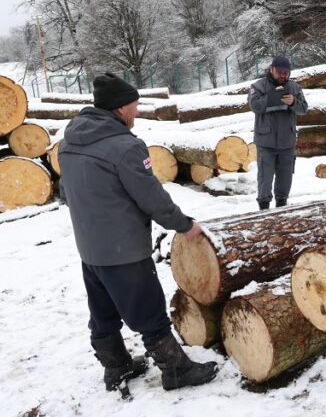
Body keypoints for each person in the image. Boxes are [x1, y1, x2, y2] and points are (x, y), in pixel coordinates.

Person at [58, 73, 218, 393]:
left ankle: (116, 367)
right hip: (124, 248)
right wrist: (184, 225)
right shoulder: (125, 147)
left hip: (90, 249)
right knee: (149, 309)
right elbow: (152, 199)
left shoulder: (68, 143)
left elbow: (65, 192)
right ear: (119, 109)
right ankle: (175, 370)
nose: (137, 111)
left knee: (102, 310)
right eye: (134, 105)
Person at [248, 56, 308, 210]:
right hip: (265, 142)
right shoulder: (258, 86)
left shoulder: (294, 88)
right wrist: (272, 97)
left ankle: (281, 209)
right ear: (271, 70)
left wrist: (293, 102)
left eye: (286, 72)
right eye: (280, 72)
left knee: (285, 179)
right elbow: (254, 105)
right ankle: (263, 209)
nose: (283, 75)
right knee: (265, 179)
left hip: (287, 142)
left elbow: (304, 108)